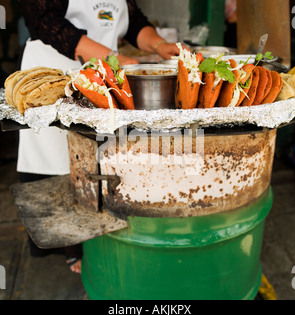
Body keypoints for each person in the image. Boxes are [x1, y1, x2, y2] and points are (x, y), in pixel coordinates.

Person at [16, 0, 186, 274]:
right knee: (59, 160)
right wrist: (110, 57)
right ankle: (72, 249)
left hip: (101, 77)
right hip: (54, 78)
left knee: (97, 161)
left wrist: (157, 45)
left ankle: (102, 240)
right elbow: (45, 21)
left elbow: (134, 21)